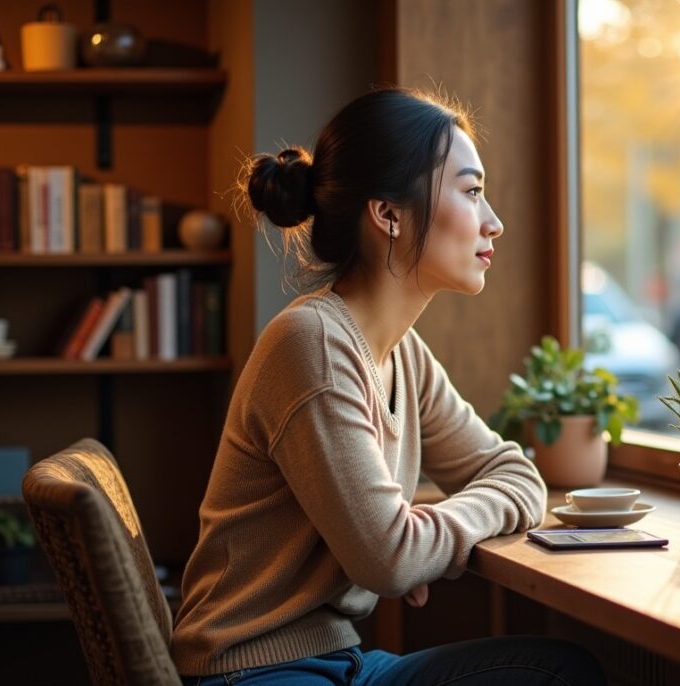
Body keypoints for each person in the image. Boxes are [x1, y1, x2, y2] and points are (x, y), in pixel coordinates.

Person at [169, 88, 606, 685]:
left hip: (336, 662)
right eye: (472, 191)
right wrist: (406, 544)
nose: (494, 222)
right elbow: (392, 559)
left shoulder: (403, 354)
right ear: (388, 215)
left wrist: (423, 536)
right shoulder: (314, 344)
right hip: (255, 673)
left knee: (558, 669)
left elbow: (515, 472)